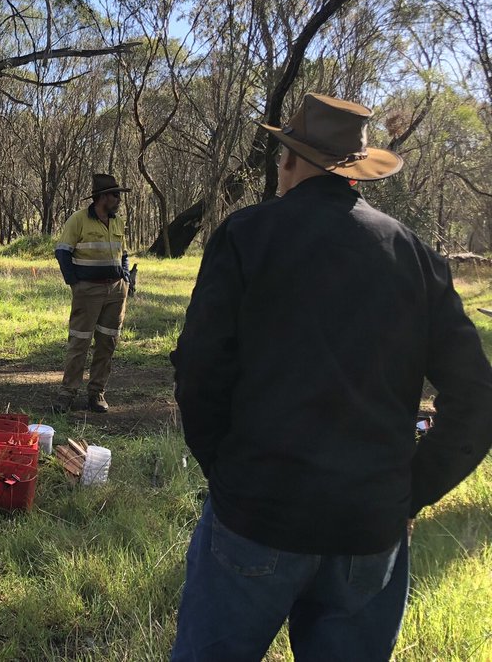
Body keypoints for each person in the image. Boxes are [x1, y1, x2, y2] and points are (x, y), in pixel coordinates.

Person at [170, 93, 492, 661]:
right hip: (368, 528)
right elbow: (478, 396)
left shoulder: (247, 235)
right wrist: (407, 493)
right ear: (356, 170)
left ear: (289, 160)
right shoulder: (414, 256)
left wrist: (227, 470)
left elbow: (199, 368)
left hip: (256, 513)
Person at [53, 173, 131, 413]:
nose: (119, 199)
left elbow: (124, 253)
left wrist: (126, 277)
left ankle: (96, 393)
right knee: (80, 341)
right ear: (103, 197)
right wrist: (75, 283)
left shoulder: (118, 222)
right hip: (88, 291)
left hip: (116, 291)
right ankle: (67, 393)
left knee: (107, 342)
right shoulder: (78, 220)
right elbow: (62, 252)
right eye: (115, 195)